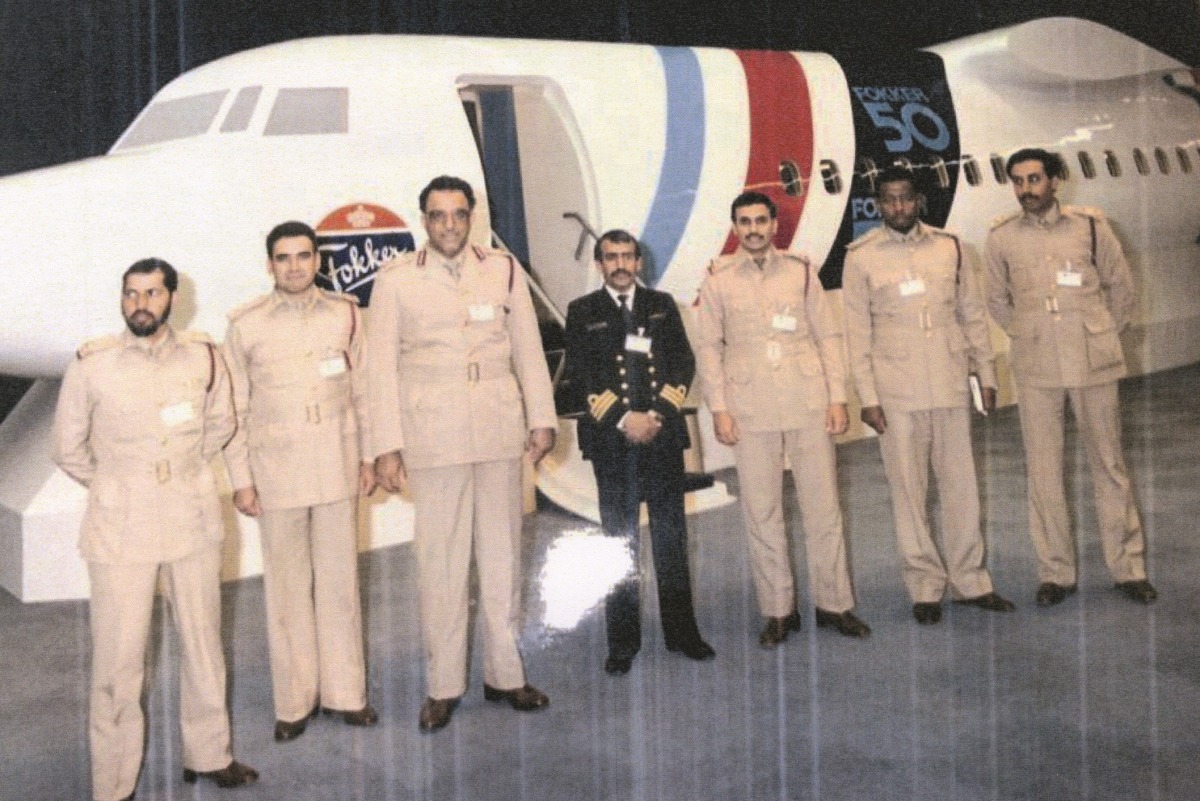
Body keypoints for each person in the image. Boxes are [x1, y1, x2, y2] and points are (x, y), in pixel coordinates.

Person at [52, 259, 257, 801]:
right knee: (118, 661)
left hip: (191, 516)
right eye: (131, 294)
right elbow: (67, 448)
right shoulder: (93, 364)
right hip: (122, 524)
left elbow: (223, 422)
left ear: (172, 299)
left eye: (151, 293)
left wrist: (182, 469)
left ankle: (210, 755)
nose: (140, 304)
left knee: (204, 644)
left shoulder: (203, 356)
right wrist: (118, 483)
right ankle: (114, 783)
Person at [368, 175, 557, 732]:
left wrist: (542, 417)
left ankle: (506, 675)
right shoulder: (397, 279)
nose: (448, 225)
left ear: (471, 215)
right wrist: (386, 445)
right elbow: (379, 369)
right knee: (441, 565)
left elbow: (528, 347)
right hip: (434, 435)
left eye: (458, 214)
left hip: (498, 428)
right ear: (423, 220)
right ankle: (444, 685)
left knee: (503, 559)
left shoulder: (502, 269)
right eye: (437, 215)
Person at [221, 221, 377, 743]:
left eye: (304, 256)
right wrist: (241, 480)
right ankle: (293, 701)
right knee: (287, 591)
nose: (294, 267)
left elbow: (364, 392)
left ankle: (346, 693)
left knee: (340, 584)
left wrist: (368, 458)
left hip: (336, 464)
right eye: (284, 258)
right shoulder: (246, 326)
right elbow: (235, 409)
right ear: (270, 264)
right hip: (278, 473)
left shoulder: (345, 314)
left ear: (318, 260)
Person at [695, 191, 870, 645]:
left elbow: (828, 336)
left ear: (774, 225)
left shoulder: (801, 271)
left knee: (824, 508)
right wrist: (719, 408)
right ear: (735, 227)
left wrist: (837, 397)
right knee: (763, 511)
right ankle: (777, 610)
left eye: (760, 221)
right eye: (744, 222)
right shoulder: (717, 280)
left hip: (807, 401)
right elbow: (709, 348)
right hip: (750, 407)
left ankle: (835, 603)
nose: (753, 229)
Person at [842, 167, 1015, 624]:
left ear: (919, 200)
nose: (898, 207)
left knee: (962, 488)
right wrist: (868, 396)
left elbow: (972, 316)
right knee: (909, 492)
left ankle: (971, 580)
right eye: (888, 199)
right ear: (878, 204)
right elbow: (857, 336)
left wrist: (987, 375)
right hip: (896, 392)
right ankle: (924, 585)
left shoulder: (951, 248)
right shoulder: (861, 257)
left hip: (949, 382)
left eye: (905, 197)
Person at [985, 148, 1157, 607]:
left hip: (1091, 361)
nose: (1026, 189)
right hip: (1037, 365)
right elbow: (997, 300)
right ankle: (1055, 573)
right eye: (1018, 181)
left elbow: (1121, 287)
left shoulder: (1091, 227)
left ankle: (1128, 568)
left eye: (1034, 179)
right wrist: (1027, 332)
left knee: (1109, 465)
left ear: (1054, 181)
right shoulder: (1001, 237)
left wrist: (1101, 333)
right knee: (1044, 471)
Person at [562, 229, 715, 675]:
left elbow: (682, 363)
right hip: (613, 444)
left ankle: (682, 633)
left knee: (671, 540)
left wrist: (657, 414)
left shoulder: (661, 305)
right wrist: (624, 419)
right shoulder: (582, 311)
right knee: (618, 544)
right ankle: (623, 642)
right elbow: (582, 375)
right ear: (599, 264)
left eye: (627, 256)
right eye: (611, 257)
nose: (620, 264)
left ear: (639, 262)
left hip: (662, 439)